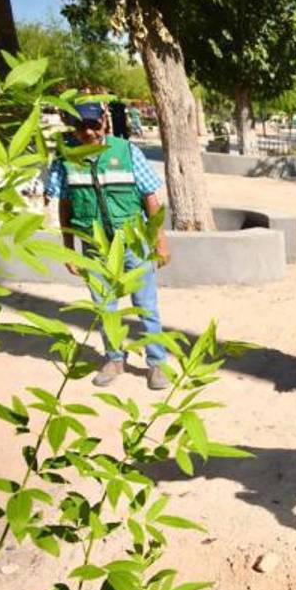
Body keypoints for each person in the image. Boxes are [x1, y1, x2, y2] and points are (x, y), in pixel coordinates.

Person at [46, 102, 172, 390]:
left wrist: (160, 242)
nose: (88, 132)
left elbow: (150, 200)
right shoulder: (65, 158)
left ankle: (156, 363)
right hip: (95, 248)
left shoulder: (127, 152)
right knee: (105, 308)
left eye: (93, 124)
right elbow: (65, 206)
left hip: (134, 245)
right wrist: (69, 250)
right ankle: (115, 359)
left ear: (104, 120)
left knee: (145, 306)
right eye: (80, 126)